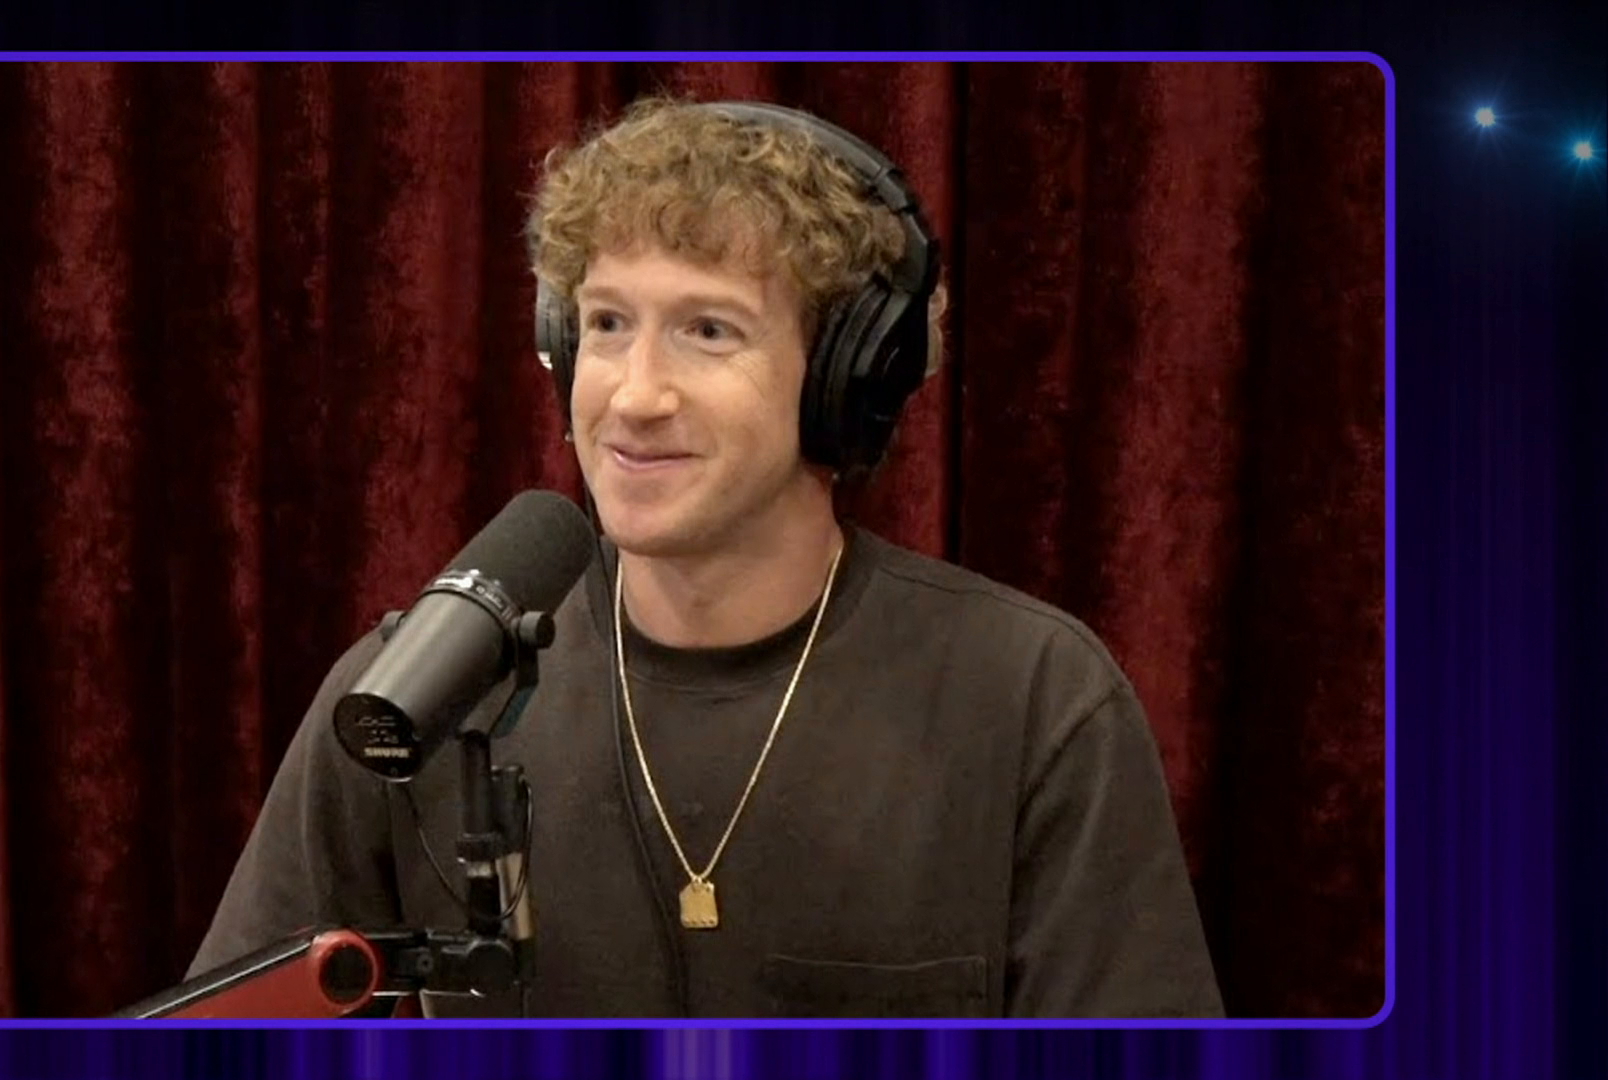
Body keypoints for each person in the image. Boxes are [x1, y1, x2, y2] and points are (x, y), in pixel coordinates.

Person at [189, 95, 1224, 1019]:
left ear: (848, 380)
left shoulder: (1033, 699)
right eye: (606, 324)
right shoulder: (417, 695)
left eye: (710, 331)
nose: (635, 395)